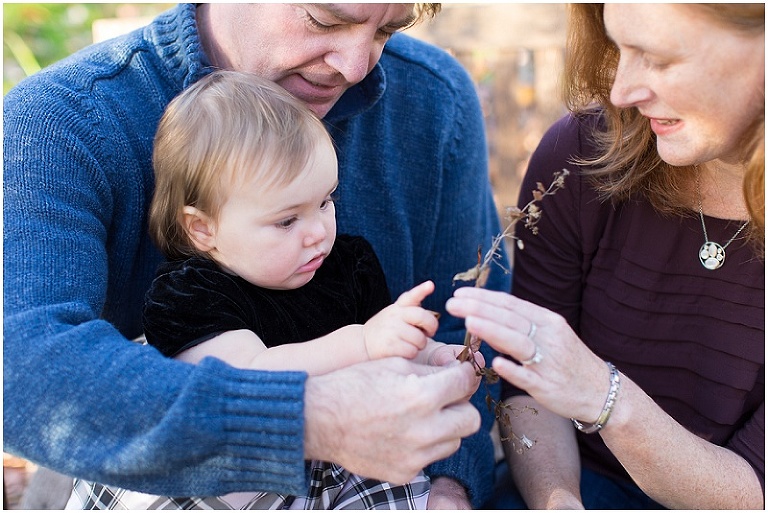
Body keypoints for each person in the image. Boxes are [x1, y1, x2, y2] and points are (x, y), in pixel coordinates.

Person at [3, 4, 510, 509]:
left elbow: (460, 323)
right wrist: (308, 420)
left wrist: (449, 486)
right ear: (198, 226)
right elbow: (21, 368)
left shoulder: (436, 100)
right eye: (325, 20)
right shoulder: (60, 123)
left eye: (387, 31)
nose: (356, 67)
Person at [68, 69, 473, 509]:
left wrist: (429, 358)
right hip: (235, 472)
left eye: (325, 202)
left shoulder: (348, 264)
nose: (318, 232)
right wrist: (364, 342)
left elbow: (385, 355)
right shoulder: (190, 293)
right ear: (204, 229)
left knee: (407, 482)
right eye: (286, 220)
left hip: (346, 454)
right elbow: (252, 375)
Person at [447, 3, 765, 510]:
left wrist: (603, 396)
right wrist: (559, 501)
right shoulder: (579, 156)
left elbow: (754, 495)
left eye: (658, 58)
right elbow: (528, 390)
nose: (621, 92)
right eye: (620, 48)